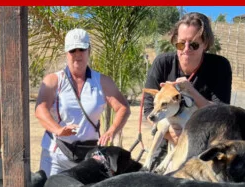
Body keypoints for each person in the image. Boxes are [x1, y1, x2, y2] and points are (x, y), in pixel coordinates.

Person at [36, 28, 130, 177]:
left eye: (82, 49)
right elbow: (40, 109)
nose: (77, 55)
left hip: (88, 157)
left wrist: (111, 131)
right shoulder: (54, 80)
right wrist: (58, 129)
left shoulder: (102, 81)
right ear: (66, 53)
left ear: (89, 51)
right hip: (56, 156)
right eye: (73, 50)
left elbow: (123, 107)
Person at [144, 12, 232, 146]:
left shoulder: (219, 67)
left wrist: (191, 90)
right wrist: (169, 134)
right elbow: (149, 109)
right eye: (181, 44)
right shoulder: (163, 63)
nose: (186, 49)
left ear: (205, 44)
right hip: (167, 139)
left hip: (203, 142)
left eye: (194, 45)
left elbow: (221, 114)